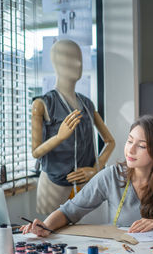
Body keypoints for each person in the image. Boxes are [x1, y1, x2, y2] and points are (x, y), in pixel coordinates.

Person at [21, 115, 153, 236]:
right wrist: (45, 226)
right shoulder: (111, 176)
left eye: (142, 146)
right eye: (130, 141)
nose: (130, 150)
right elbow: (68, 212)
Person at [32, 39, 115, 214]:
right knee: (51, 234)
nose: (78, 63)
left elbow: (110, 141)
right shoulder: (42, 104)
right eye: (70, 58)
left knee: (85, 236)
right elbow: (36, 152)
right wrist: (59, 136)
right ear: (56, 63)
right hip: (53, 186)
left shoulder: (87, 104)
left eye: (79, 59)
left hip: (85, 183)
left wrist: (96, 168)